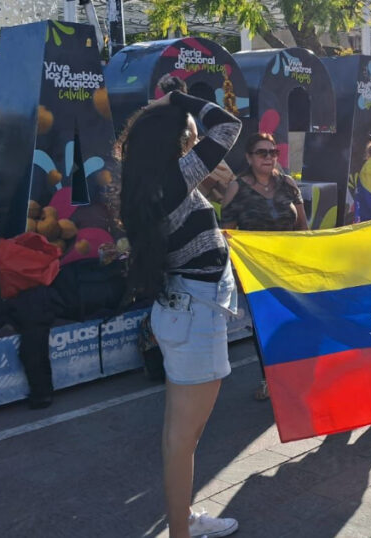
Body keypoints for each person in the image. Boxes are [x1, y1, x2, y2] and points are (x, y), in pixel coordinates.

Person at [117, 90, 242, 538]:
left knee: (177, 434)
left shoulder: (143, 183)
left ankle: (183, 519)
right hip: (194, 316)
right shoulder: (174, 178)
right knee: (182, 441)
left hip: (181, 310)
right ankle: (181, 531)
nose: (194, 136)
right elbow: (228, 126)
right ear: (172, 141)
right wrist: (178, 97)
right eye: (188, 132)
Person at [217, 132, 308, 400]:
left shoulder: (288, 184)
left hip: (288, 268)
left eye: (273, 152)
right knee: (265, 327)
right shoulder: (236, 188)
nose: (269, 157)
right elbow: (228, 236)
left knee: (293, 323)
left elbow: (302, 226)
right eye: (262, 152)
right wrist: (235, 272)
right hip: (255, 272)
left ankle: (297, 376)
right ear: (249, 157)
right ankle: (270, 379)